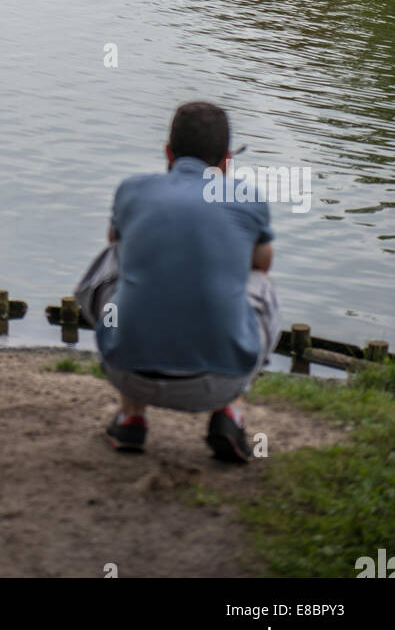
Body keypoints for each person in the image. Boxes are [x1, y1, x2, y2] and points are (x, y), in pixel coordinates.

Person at [79, 102, 280, 463]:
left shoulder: (132, 190)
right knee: (259, 284)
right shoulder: (246, 197)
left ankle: (131, 417)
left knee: (114, 264)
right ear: (227, 160)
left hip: (128, 371)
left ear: (168, 152)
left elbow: (115, 241)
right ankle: (230, 410)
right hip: (219, 381)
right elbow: (262, 264)